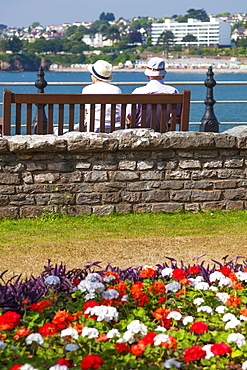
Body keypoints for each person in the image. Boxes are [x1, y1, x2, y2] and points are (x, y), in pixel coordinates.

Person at [126, 57, 180, 131]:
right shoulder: (173, 91)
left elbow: (129, 115)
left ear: (148, 76)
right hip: (162, 131)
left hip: (140, 132)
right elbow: (178, 115)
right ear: (163, 75)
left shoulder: (138, 92)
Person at [82, 60, 122, 133]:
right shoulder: (117, 90)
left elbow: (85, 113)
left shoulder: (87, 89)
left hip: (94, 128)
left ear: (94, 76)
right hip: (116, 128)